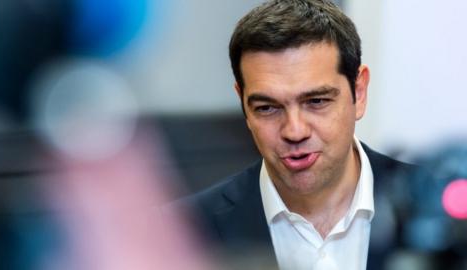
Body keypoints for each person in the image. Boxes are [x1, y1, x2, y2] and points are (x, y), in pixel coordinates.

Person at [176, 1, 417, 269]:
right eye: (267, 108)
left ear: (358, 93)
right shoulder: (182, 233)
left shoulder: (437, 212)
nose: (294, 131)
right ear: (243, 102)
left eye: (316, 101)